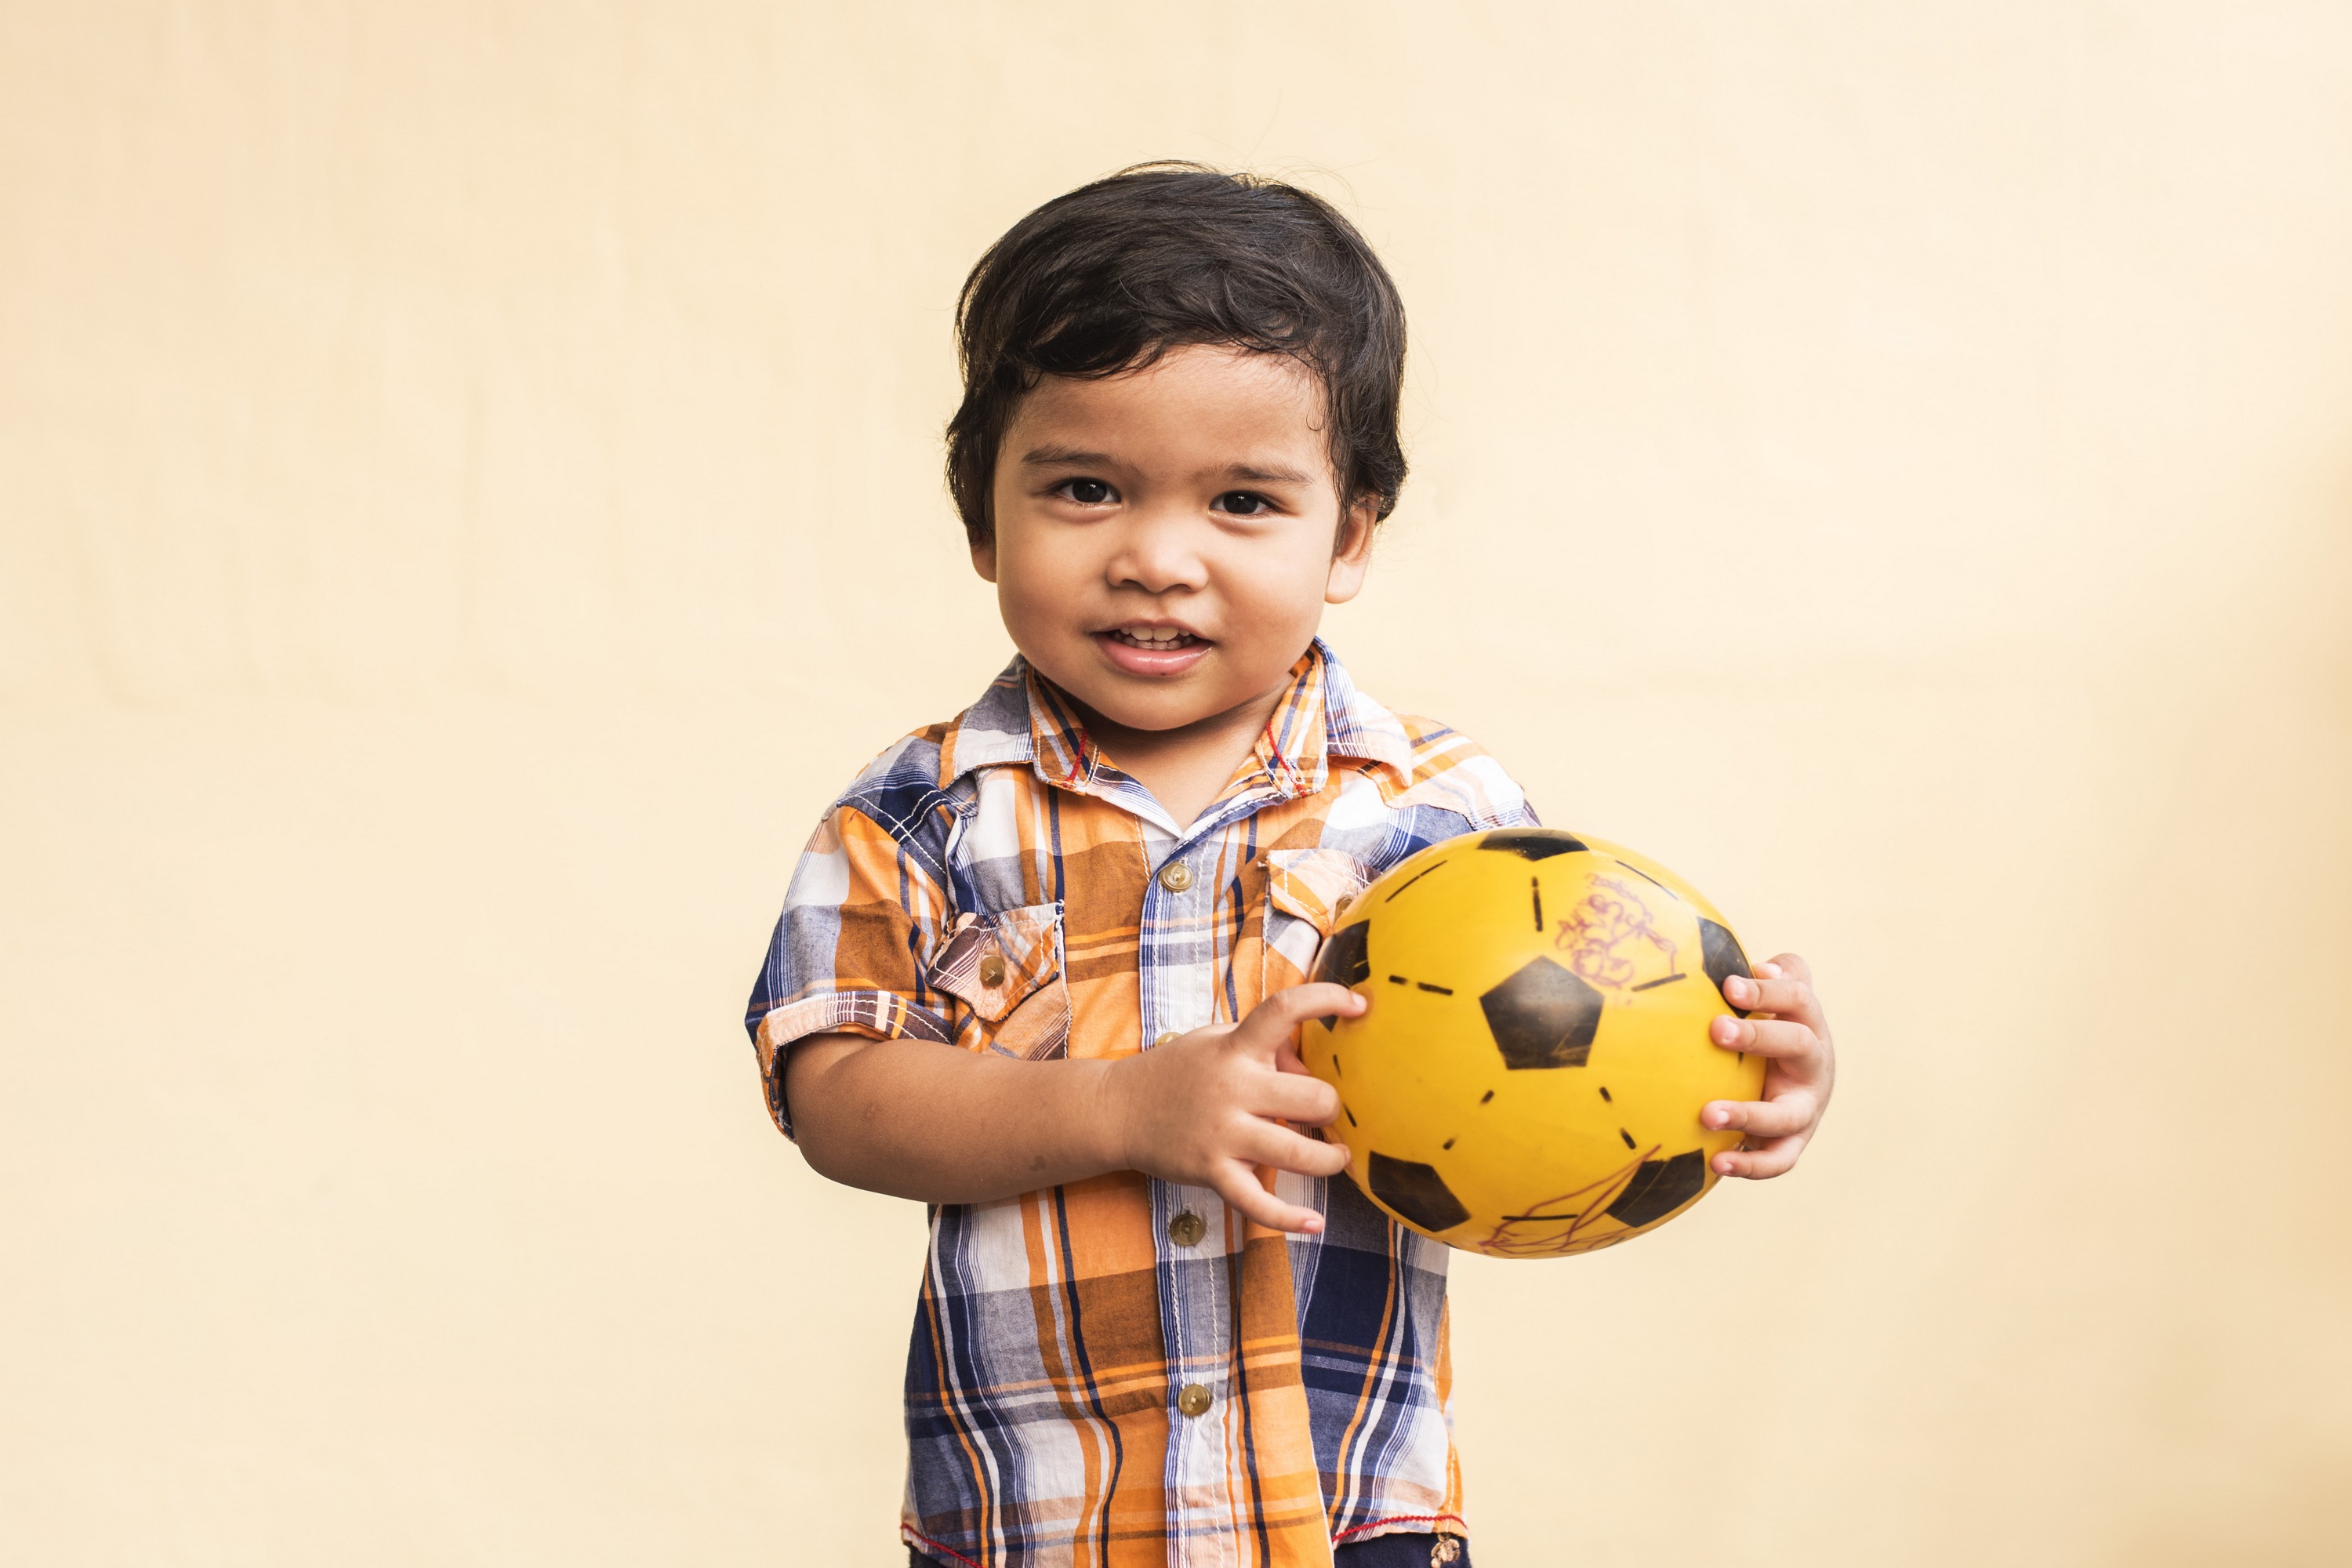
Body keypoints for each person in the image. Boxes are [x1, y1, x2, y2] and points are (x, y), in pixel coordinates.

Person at [743, 163, 1836, 1568]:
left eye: (1243, 501)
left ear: (1350, 536)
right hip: (1034, 1526)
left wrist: (1741, 1069)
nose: (1158, 557)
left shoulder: (1443, 815)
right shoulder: (920, 813)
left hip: (1349, 1518)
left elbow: (1594, 1027)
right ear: (982, 520)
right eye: (1086, 488)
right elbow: (836, 1097)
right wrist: (1125, 1106)